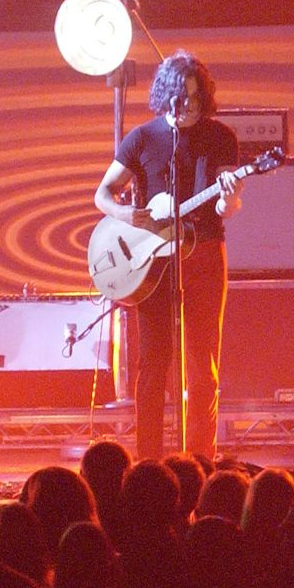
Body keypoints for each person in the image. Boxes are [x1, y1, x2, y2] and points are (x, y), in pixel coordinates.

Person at [93, 51, 243, 459]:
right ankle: (148, 461)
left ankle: (199, 460)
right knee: (152, 364)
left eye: (197, 98)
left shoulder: (221, 138)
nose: (191, 107)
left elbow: (224, 209)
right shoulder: (142, 138)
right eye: (183, 98)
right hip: (152, 261)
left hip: (206, 252)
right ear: (167, 97)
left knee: (202, 366)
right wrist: (128, 215)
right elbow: (102, 194)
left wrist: (227, 198)